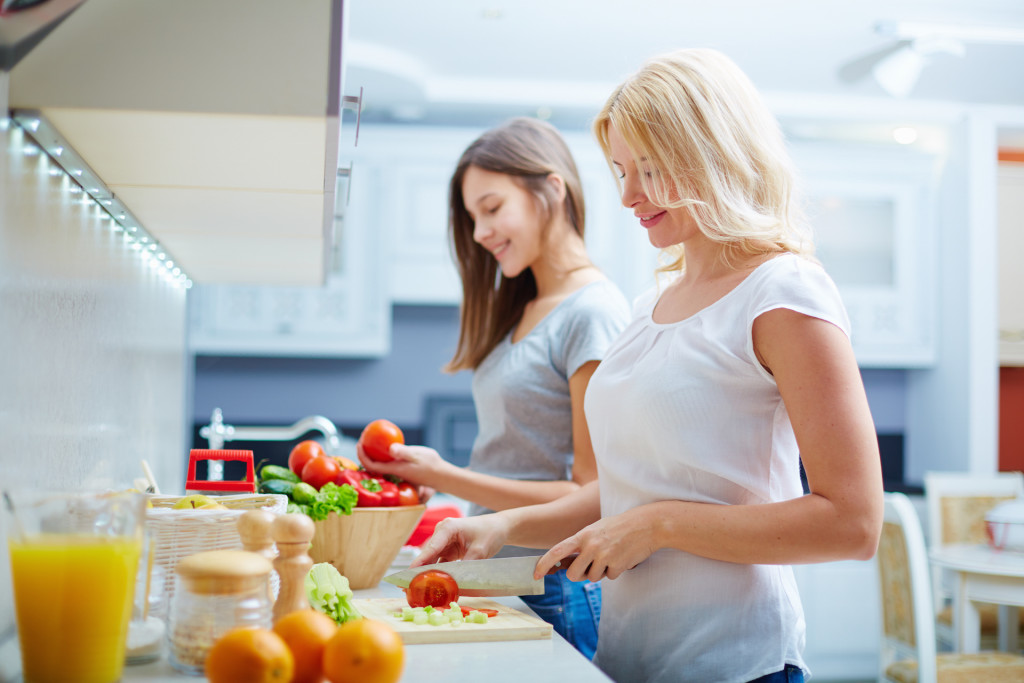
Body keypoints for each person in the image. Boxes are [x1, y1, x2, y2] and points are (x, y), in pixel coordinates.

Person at [407, 49, 885, 683]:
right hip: (629, 657)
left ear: (712, 154)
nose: (628, 196)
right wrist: (505, 525)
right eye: (620, 171)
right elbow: (634, 488)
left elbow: (853, 523)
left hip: (735, 663)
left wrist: (657, 526)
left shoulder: (784, 291)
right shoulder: (650, 305)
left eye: (650, 169)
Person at [358, 117, 631, 659]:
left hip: (549, 579)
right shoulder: (525, 307)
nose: (480, 232)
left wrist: (445, 474)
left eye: (491, 207)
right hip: (501, 570)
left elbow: (592, 493)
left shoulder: (592, 313)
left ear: (551, 190)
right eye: (472, 216)